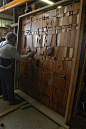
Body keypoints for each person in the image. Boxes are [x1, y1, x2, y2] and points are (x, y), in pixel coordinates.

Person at [0, 32, 35, 105]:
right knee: (9, 83)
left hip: (1, 67)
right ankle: (11, 100)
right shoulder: (10, 47)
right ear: (10, 39)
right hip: (6, 68)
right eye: (14, 39)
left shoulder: (2, 43)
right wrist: (28, 56)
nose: (15, 41)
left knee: (4, 82)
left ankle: (5, 96)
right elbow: (19, 58)